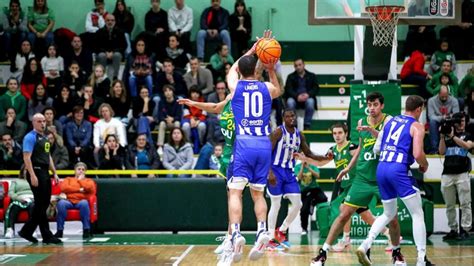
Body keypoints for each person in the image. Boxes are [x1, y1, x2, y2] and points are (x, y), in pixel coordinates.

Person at [310, 92, 401, 265]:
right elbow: (359, 148)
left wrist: (372, 131)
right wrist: (348, 168)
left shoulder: (389, 121)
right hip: (362, 178)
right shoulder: (361, 122)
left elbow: (389, 144)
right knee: (344, 213)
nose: (372, 108)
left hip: (383, 177)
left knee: (393, 218)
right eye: (369, 105)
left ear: (382, 106)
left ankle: (396, 253)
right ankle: (323, 253)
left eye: (375, 105)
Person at [225, 29, 281, 262]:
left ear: (241, 70)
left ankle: (236, 233)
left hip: (244, 144)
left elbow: (231, 70)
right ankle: (261, 229)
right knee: (259, 194)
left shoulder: (235, 87)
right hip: (263, 144)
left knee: (236, 191)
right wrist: (269, 67)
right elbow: (278, 89)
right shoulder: (266, 88)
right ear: (257, 70)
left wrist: (253, 49)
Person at [357, 95, 433, 266]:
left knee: (388, 213)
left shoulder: (390, 121)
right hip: (398, 170)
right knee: (417, 214)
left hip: (382, 168)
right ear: (419, 109)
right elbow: (418, 154)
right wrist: (425, 165)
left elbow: (377, 148)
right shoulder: (417, 126)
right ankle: (421, 259)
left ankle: (365, 244)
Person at [304, 123, 392, 251]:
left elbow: (363, 157)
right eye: (334, 133)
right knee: (365, 215)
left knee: (344, 208)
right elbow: (320, 162)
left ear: (346, 134)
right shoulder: (333, 150)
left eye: (340, 133)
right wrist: (304, 159)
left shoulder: (351, 147)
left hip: (357, 186)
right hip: (347, 187)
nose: (337, 136)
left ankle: (346, 239)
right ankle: (388, 233)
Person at [177, 92, 235, 263]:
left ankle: (238, 240)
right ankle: (230, 236)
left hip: (243, 152)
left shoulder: (245, 99)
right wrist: (193, 103)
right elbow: (215, 107)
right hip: (229, 151)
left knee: (241, 196)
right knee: (231, 197)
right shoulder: (230, 99)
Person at [267, 109, 328, 249]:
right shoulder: (278, 132)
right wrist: (269, 172)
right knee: (275, 205)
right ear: (283, 119)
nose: (291, 118)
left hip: (289, 172)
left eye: (293, 115)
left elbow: (309, 153)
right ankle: (270, 238)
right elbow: (266, 152)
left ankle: (281, 231)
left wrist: (325, 158)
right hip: (275, 170)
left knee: (298, 204)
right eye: (287, 116)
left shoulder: (300, 135)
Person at [18, 113, 61, 244]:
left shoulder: (45, 138)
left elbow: (48, 157)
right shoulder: (30, 137)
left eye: (44, 121)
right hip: (36, 170)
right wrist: (32, 174)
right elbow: (26, 157)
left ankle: (29, 231)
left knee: (44, 204)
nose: (42, 123)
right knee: (41, 204)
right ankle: (44, 234)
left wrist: (54, 172)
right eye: (39, 121)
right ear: (33, 123)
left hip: (44, 171)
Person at [439, 112, 473, 240]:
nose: (461, 123)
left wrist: (453, 137)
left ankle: (465, 229)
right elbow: (441, 152)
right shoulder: (447, 135)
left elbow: (468, 146)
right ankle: (453, 229)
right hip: (447, 173)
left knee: (465, 203)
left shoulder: (468, 135)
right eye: (459, 121)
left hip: (462, 173)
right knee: (449, 204)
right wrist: (442, 137)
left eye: (463, 121)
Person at [55, 162, 96, 238]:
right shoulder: (68, 179)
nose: (81, 171)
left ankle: (86, 230)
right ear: (75, 170)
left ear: (85, 171)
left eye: (83, 170)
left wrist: (80, 181)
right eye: (79, 169)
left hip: (81, 201)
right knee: (61, 203)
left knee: (84, 203)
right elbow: (64, 188)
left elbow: (90, 188)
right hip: (68, 201)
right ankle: (59, 230)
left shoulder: (88, 181)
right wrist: (79, 189)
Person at [294, 158, 327, 236]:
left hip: (314, 188)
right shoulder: (297, 167)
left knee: (324, 198)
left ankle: (313, 203)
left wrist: (308, 168)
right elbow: (298, 178)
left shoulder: (313, 166)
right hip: (304, 191)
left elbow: (318, 175)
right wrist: (302, 167)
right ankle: (304, 228)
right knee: (304, 210)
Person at [285, 58, 319, 129]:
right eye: (296, 65)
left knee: (311, 102)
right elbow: (288, 89)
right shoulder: (290, 77)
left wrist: (308, 95)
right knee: (290, 102)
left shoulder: (312, 76)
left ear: (304, 65)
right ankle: (294, 124)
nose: (298, 67)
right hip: (295, 98)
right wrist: (297, 96)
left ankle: (307, 125)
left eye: (300, 65)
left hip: (308, 98)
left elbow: (316, 88)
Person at [427, 86, 460, 154]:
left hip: (450, 121)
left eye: (446, 96)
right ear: (438, 93)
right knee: (432, 122)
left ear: (448, 93)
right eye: (442, 96)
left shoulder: (454, 100)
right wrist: (443, 117)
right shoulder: (431, 100)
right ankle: (434, 150)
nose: (444, 98)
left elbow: (456, 115)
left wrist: (447, 118)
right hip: (437, 121)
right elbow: (431, 116)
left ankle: (454, 147)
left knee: (457, 121)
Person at [4, 166, 34, 239]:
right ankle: (10, 230)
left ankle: (31, 230)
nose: (27, 172)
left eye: (29, 170)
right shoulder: (16, 181)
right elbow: (10, 193)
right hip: (19, 199)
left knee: (33, 206)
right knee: (13, 206)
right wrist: (18, 198)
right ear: (22, 171)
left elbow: (39, 192)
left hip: (32, 199)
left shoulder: (34, 180)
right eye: (25, 170)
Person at [96, 14, 127, 79]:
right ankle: (102, 77)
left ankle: (115, 77)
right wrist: (106, 52)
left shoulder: (120, 32)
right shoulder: (99, 32)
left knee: (117, 55)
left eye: (112, 20)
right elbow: (96, 46)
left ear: (115, 22)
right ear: (105, 21)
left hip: (115, 54)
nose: (110, 22)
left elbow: (124, 45)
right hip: (104, 53)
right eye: (108, 20)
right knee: (101, 55)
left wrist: (113, 52)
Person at [2, 0, 28, 67]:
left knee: (23, 34)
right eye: (12, 6)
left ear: (19, 7)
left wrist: (17, 23)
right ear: (10, 7)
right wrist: (13, 27)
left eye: (16, 6)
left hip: (19, 33)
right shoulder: (6, 13)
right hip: (9, 33)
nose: (14, 8)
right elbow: (5, 27)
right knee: (7, 34)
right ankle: (7, 54)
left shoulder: (23, 14)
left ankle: (20, 54)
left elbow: (24, 28)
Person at [156, 85, 182, 152]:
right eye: (166, 91)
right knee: (161, 124)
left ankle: (177, 145)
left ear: (172, 92)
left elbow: (179, 115)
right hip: (165, 122)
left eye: (169, 90)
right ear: (164, 93)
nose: (168, 92)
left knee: (177, 123)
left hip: (174, 122)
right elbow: (159, 116)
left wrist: (173, 119)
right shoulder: (161, 102)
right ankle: (160, 146)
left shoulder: (178, 101)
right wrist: (166, 120)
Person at [182, 87, 207, 154]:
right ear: (190, 94)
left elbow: (204, 114)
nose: (195, 94)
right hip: (189, 119)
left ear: (199, 94)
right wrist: (191, 119)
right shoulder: (187, 102)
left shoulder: (203, 102)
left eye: (197, 93)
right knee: (185, 126)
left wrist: (198, 120)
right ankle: (188, 142)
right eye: (193, 93)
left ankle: (200, 142)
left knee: (202, 126)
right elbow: (186, 114)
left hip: (200, 120)